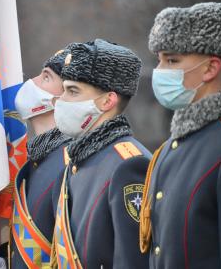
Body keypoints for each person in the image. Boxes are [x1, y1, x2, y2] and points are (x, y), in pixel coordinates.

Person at [140, 2, 221, 268]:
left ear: (210, 68)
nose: (160, 70)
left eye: (173, 60)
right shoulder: (171, 147)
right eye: (160, 60)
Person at [52, 39, 151, 268]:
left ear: (107, 100)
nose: (61, 100)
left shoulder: (129, 164)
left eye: (72, 91)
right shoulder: (77, 161)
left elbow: (132, 261)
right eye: (64, 89)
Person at [0, 47, 72, 269]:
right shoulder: (36, 160)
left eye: (46, 77)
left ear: (64, 96)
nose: (32, 81)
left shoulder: (69, 161)